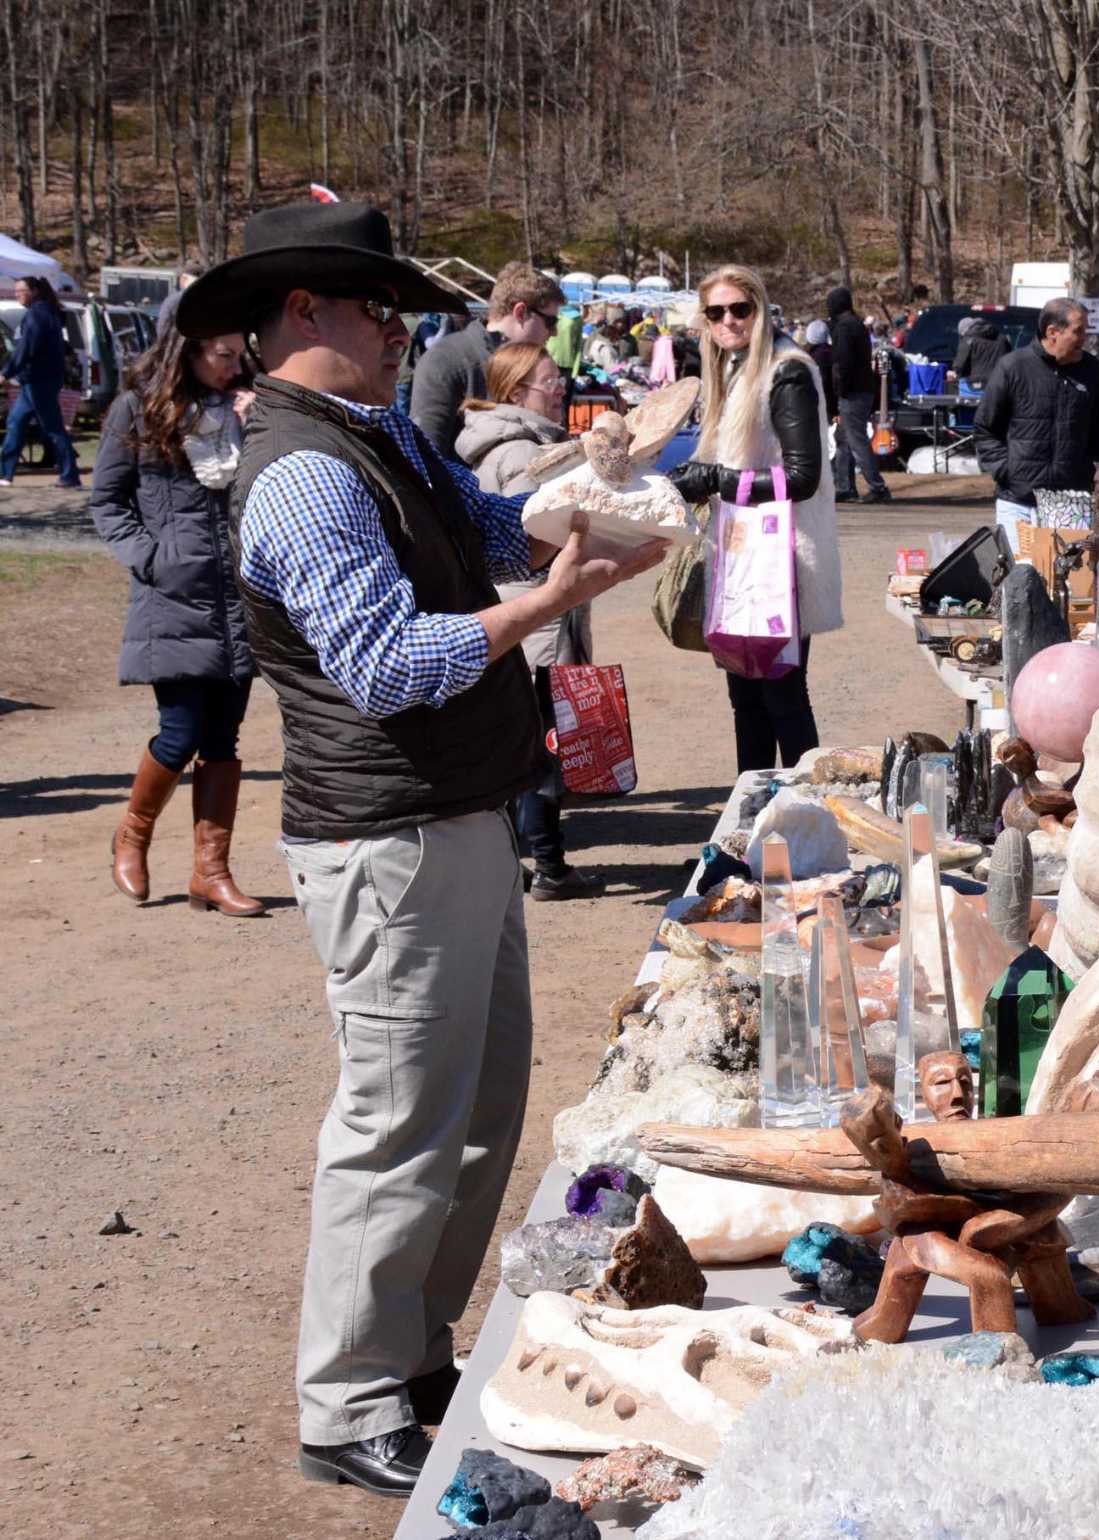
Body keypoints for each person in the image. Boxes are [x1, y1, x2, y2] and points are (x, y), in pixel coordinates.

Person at [176, 200, 665, 1497]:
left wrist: (579, 538)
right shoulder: (301, 470)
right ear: (302, 315)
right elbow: (386, 667)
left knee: (477, 1111)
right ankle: (345, 1403)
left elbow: (483, 533)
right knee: (394, 1126)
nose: (402, 334)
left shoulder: (375, 434)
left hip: (456, 818)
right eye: (378, 310)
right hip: (387, 837)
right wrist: (540, 609)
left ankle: (413, 1358)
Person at [88, 293, 262, 916]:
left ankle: (210, 873)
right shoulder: (137, 410)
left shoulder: (249, 406)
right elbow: (107, 501)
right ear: (185, 349)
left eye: (240, 353)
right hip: (174, 598)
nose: (233, 364)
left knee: (225, 737)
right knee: (180, 732)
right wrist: (150, 557)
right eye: (223, 354)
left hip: (239, 598)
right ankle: (132, 835)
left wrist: (257, 423)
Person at [670, 264, 844, 772]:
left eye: (739, 309)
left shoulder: (786, 371)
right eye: (716, 312)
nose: (729, 321)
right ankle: (747, 830)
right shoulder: (732, 368)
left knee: (783, 700)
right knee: (747, 703)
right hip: (742, 556)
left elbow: (802, 477)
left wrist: (714, 480)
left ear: (760, 309)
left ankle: (801, 823)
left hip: (780, 564)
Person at [454, 343, 599, 901]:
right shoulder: (518, 454)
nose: (559, 386)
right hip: (534, 618)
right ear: (516, 393)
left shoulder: (513, 444)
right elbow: (530, 540)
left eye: (559, 377)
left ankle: (522, 864)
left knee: (523, 744)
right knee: (541, 747)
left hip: (522, 616)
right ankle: (550, 867)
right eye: (548, 381)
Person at [974, 297, 1099, 547]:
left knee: (1072, 582)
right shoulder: (1012, 367)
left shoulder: (1091, 370)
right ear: (1053, 332)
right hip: (1018, 501)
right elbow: (986, 428)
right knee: (1022, 578)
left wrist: (1097, 466)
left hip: (1071, 504)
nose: (1085, 338)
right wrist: (1007, 471)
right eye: (1078, 331)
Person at [408, 261, 564, 454]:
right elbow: (427, 453)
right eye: (550, 321)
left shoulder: (537, 364)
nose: (555, 332)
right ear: (521, 312)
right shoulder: (445, 360)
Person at [0, 275, 81, 488]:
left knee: (53, 428)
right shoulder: (44, 313)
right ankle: (5, 474)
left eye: (21, 291)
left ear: (34, 291)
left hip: (40, 381)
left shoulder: (38, 315)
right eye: (15, 291)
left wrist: (6, 373)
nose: (17, 295)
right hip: (34, 381)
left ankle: (69, 475)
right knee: (15, 423)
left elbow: (26, 348)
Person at [827, 285, 889, 503]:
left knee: (856, 440)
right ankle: (844, 486)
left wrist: (839, 390)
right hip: (861, 388)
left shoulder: (844, 328)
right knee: (843, 438)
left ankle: (877, 486)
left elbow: (842, 362)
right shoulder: (857, 324)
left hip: (852, 391)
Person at [955, 313, 1009, 389]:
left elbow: (959, 366)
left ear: (965, 330)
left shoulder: (968, 339)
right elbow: (1010, 361)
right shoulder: (1002, 338)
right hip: (999, 385)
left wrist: (957, 374)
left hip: (974, 386)